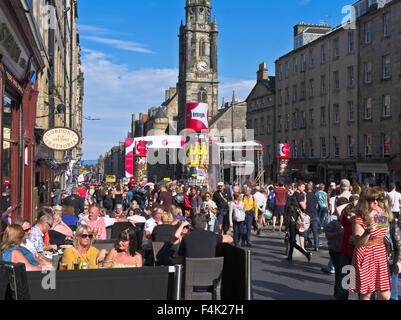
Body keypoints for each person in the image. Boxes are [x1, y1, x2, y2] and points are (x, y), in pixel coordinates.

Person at [348, 188, 391, 300]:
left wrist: (391, 247)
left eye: (378, 199)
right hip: (366, 255)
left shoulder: (380, 214)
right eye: (372, 199)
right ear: (365, 201)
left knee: (385, 295)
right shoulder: (359, 218)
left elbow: (383, 235)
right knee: (366, 294)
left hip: (380, 254)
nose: (376, 202)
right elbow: (358, 243)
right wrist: (367, 232)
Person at [285, 188, 312, 262]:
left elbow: (288, 217)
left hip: (292, 224)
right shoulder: (297, 207)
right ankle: (290, 256)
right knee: (292, 241)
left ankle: (306, 253)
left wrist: (286, 228)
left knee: (292, 241)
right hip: (298, 224)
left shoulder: (290, 206)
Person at [305, 184, 319, 251]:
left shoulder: (305, 196)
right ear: (312, 188)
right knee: (315, 232)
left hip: (307, 215)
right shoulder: (315, 196)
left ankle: (305, 244)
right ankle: (316, 246)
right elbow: (316, 206)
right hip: (314, 215)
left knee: (305, 231)